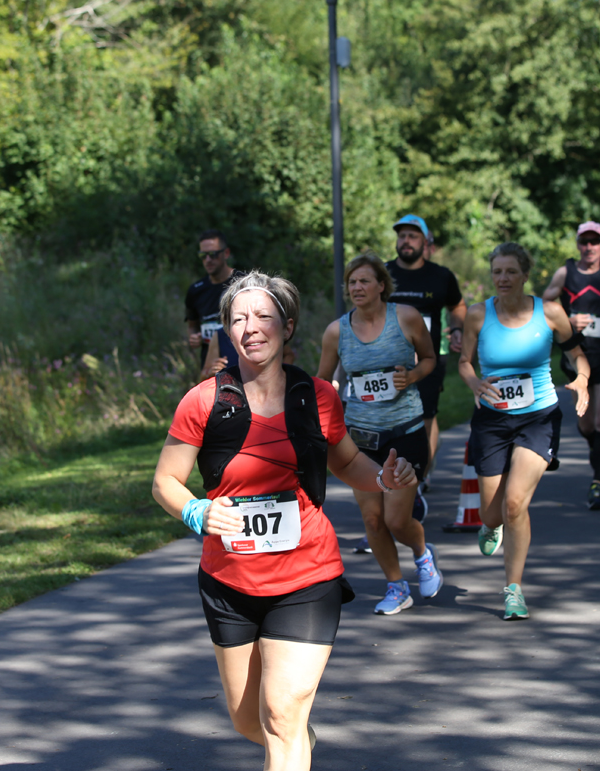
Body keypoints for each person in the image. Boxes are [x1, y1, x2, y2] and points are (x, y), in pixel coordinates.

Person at [152, 271, 417, 770]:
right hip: (229, 581)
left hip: (306, 577)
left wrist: (383, 478)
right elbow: (165, 481)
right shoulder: (203, 401)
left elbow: (345, 463)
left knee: (281, 711)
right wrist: (196, 510)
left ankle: (292, 739)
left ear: (287, 325)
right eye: (238, 318)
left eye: (262, 316)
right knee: (248, 721)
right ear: (227, 332)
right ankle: (298, 742)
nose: (250, 327)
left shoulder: (317, 397)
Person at [459, 243, 590, 620]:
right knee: (492, 513)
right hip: (492, 419)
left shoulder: (549, 313)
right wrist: (474, 383)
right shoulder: (478, 315)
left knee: (515, 502)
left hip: (538, 416)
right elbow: (465, 362)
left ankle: (513, 590)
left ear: (524, 274)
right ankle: (490, 525)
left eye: (510, 272)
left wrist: (581, 379)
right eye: (497, 271)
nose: (502, 279)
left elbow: (576, 354)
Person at [317, 254, 442, 615]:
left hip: (406, 429)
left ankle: (422, 554)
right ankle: (395, 585)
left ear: (381, 286)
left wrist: (412, 377)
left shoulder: (405, 317)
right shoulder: (336, 331)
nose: (357, 288)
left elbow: (429, 359)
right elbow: (324, 381)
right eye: (352, 283)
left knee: (396, 520)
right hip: (362, 437)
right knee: (372, 519)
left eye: (364, 281)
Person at [542, 221, 600, 510]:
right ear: (578, 244)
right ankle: (598, 449)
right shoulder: (565, 273)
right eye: (584, 241)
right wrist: (566, 321)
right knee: (585, 423)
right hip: (576, 356)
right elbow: (544, 305)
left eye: (595, 241)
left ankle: (598, 483)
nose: (589, 247)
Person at [386, 214, 467, 501]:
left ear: (425, 243)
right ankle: (391, 470)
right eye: (402, 236)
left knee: (425, 416)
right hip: (387, 361)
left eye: (412, 236)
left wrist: (457, 329)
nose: (406, 241)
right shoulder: (383, 273)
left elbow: (457, 305)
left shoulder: (440, 275)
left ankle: (420, 475)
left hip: (426, 359)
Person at [185, 230, 243, 370]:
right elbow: (192, 325)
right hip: (211, 371)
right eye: (203, 255)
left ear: (226, 253)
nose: (208, 260)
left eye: (213, 254)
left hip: (243, 367)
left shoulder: (244, 283)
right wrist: (194, 337)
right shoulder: (196, 290)